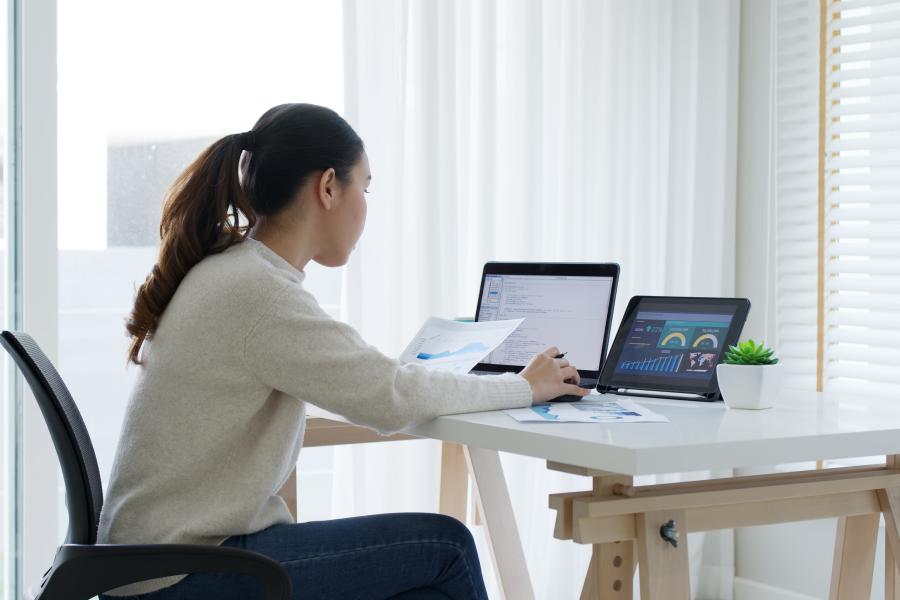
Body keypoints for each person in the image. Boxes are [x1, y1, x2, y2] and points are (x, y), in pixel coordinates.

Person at [98, 103, 588, 600]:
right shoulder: (260, 292)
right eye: (366, 187)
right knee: (448, 547)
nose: (367, 205)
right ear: (328, 186)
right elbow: (389, 397)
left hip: (157, 563)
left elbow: (377, 389)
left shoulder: (239, 273)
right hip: (180, 574)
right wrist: (525, 386)